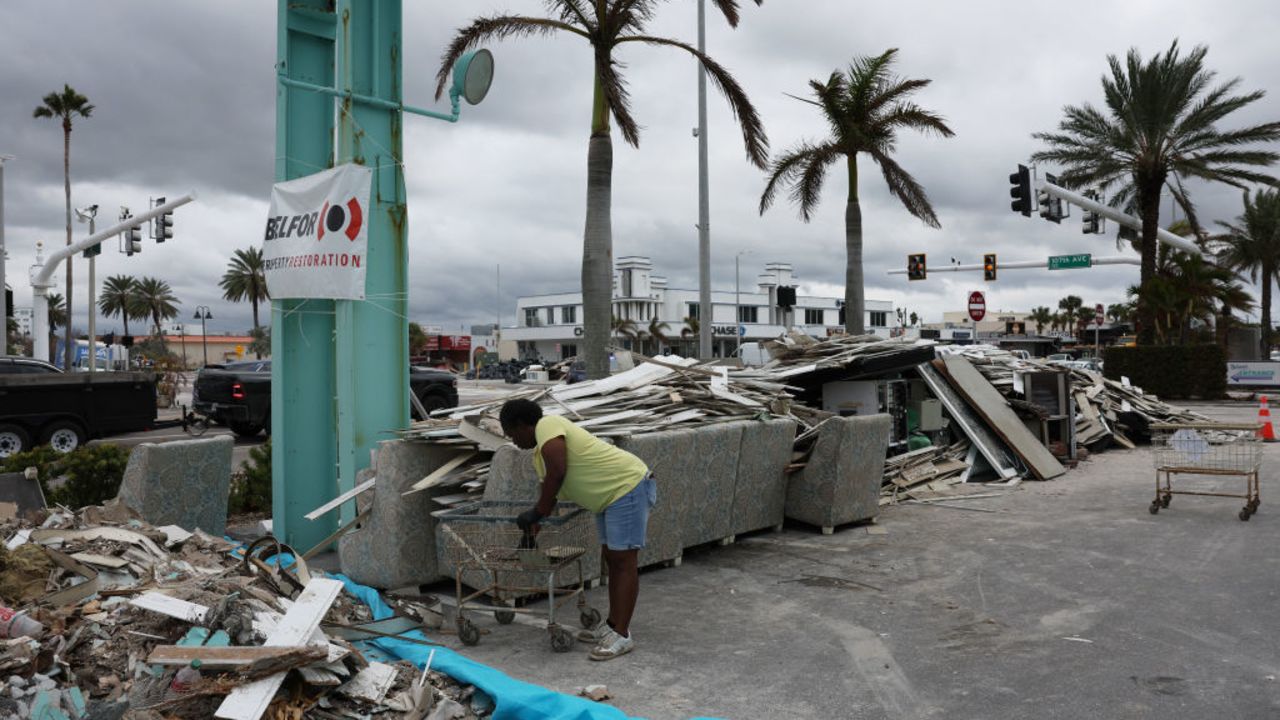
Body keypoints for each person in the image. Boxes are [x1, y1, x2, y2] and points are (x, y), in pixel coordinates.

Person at [499, 398, 656, 661]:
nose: (513, 441)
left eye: (512, 434)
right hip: (608, 498)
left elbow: (559, 471)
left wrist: (536, 513)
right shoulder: (539, 457)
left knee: (623, 560)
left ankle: (623, 634)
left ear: (523, 425)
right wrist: (529, 534)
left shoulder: (548, 425)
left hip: (626, 486)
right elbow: (548, 496)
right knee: (611, 558)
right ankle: (612, 625)